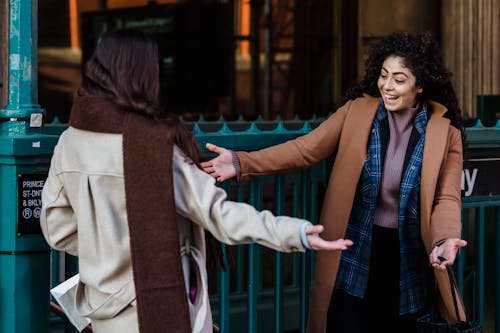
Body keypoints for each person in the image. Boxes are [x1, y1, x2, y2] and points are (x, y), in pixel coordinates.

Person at [39, 29, 353, 333]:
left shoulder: (69, 142)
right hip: (156, 304)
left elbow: (57, 230)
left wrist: (107, 246)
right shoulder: (152, 147)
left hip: (102, 309)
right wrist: (295, 232)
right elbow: (219, 215)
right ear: (142, 76)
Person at [201, 31, 468, 333]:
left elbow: (446, 198)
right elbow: (304, 150)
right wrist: (241, 162)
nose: (387, 86)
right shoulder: (357, 112)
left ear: (419, 85)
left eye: (399, 79)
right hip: (355, 251)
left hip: (410, 262)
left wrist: (445, 239)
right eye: (383, 75)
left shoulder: (445, 133)